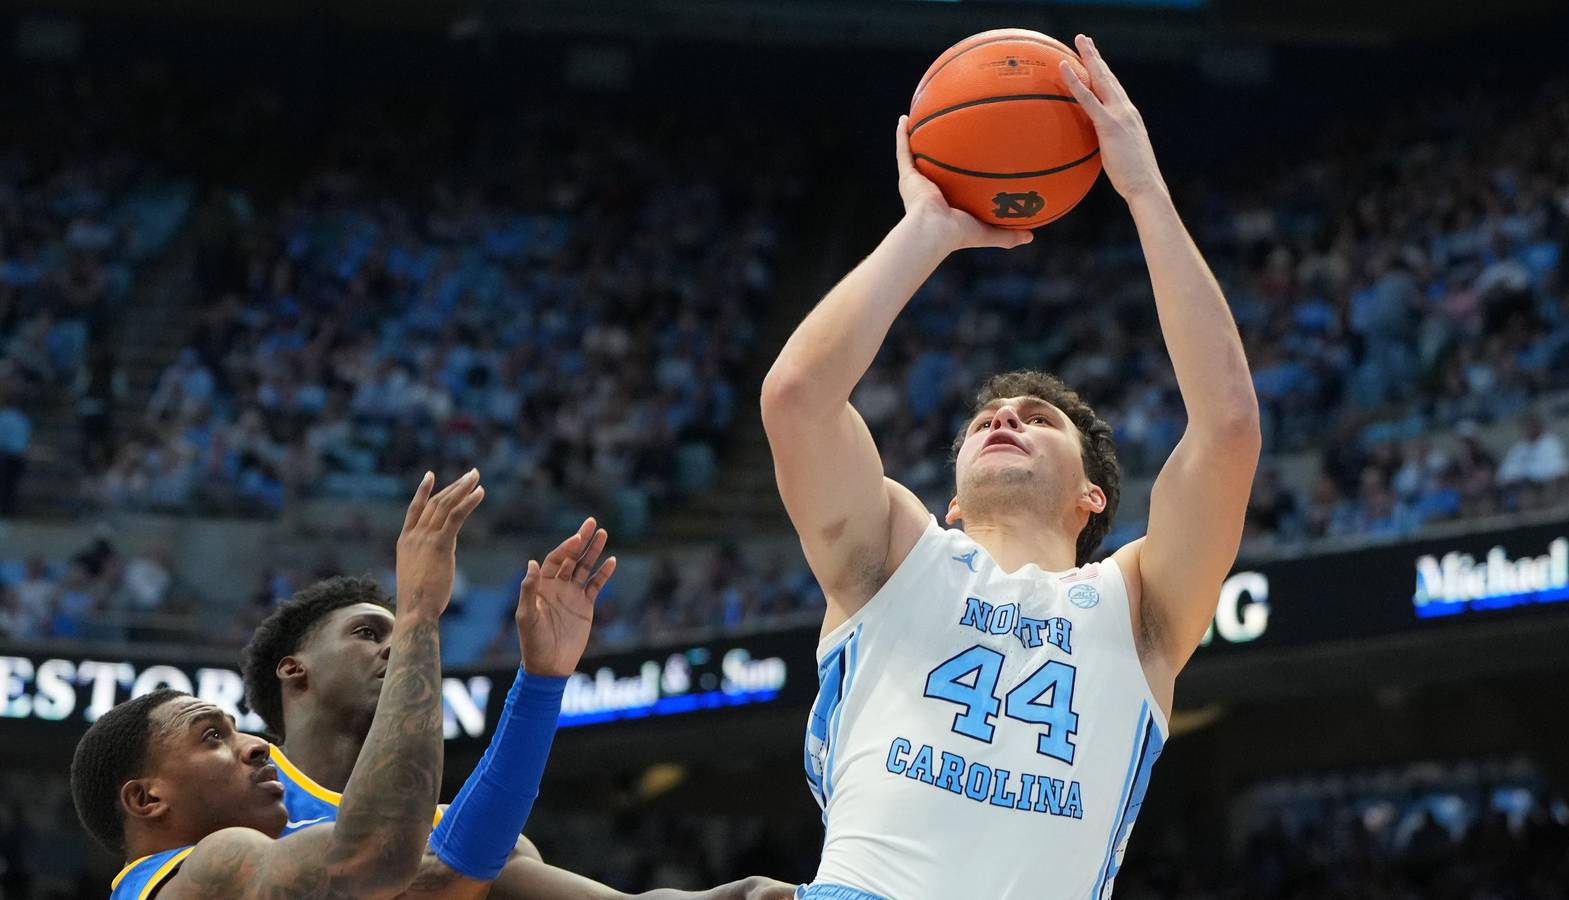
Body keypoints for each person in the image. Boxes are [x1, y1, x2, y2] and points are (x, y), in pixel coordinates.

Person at [760, 35, 1259, 900]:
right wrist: (925, 233)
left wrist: (1141, 188)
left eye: (1038, 418)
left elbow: (1227, 430)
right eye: (986, 418)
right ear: (948, 500)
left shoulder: (1137, 606)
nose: (1004, 418)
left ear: (1092, 494)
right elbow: (797, 399)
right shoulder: (895, 554)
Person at [241, 526, 792, 900]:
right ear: (294, 670)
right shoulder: (238, 793)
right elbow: (431, 874)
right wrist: (417, 612)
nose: (399, 647)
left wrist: (744, 894)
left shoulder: (456, 824)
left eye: (401, 634)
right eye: (367, 633)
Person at [71, 468, 486, 898]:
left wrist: (538, 682)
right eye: (211, 737)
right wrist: (418, 612)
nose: (257, 744)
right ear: (146, 799)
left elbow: (445, 872)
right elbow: (378, 852)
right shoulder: (211, 866)